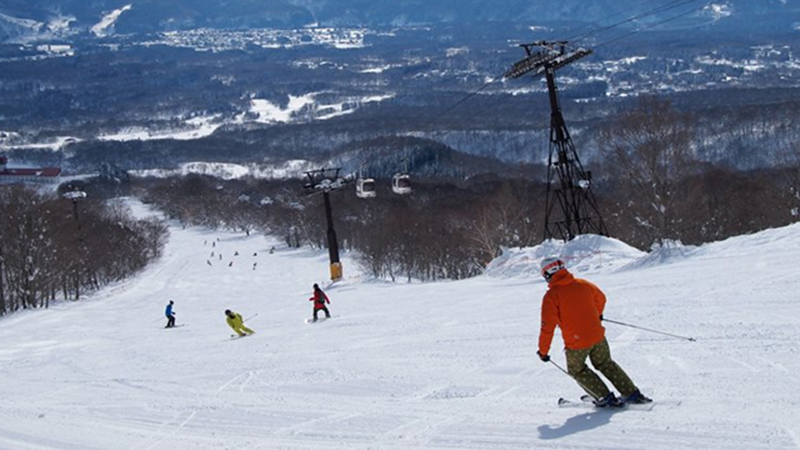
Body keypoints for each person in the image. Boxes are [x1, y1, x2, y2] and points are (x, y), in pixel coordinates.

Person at [536, 257, 651, 407]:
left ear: (548, 274)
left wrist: (543, 351)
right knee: (605, 363)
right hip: (598, 336)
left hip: (576, 343)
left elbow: (547, 327)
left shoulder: (552, 296)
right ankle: (631, 393)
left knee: (577, 370)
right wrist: (598, 314)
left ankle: (604, 397)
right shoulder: (584, 284)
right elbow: (601, 299)